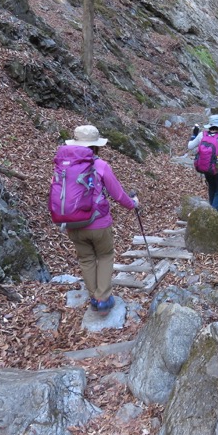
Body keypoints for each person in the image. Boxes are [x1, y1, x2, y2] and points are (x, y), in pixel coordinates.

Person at [63, 125, 139, 314]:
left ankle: (94, 298)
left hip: (72, 223)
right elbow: (118, 194)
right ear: (96, 147)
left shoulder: (63, 165)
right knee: (105, 256)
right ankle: (103, 299)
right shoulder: (100, 166)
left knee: (86, 259)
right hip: (98, 223)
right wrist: (133, 204)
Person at [188, 114, 218, 211]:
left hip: (206, 166)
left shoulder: (202, 135)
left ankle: (211, 209)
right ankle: (213, 213)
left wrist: (194, 135)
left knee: (212, 187)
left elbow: (190, 146)